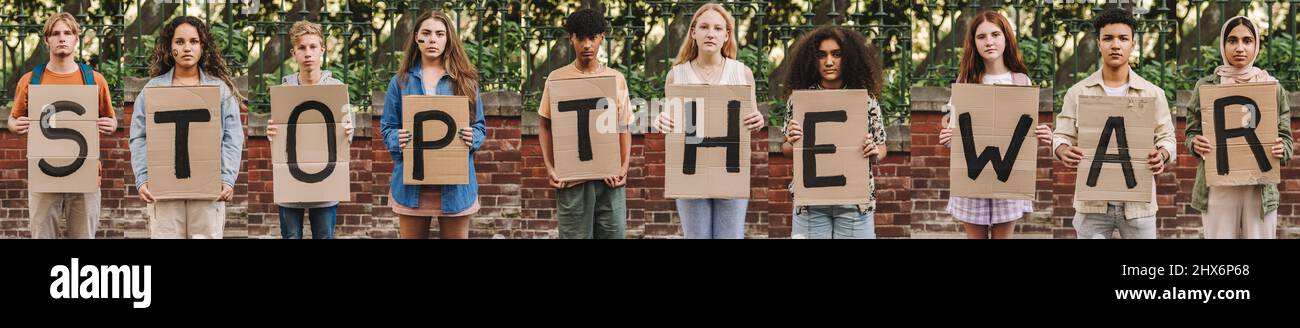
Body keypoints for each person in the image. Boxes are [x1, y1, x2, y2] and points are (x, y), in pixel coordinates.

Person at [1052, 8, 1176, 239]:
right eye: (1108, 38)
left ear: (1133, 44)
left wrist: (1162, 155)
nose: (1115, 45)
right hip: (1092, 205)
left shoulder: (1153, 94)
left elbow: (1168, 139)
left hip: (1139, 205)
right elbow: (1061, 136)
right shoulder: (1077, 93)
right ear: (1098, 43)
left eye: (1123, 38)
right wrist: (1063, 150)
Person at [937, 11, 1053, 239]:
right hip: (973, 176)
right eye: (981, 37)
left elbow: (1024, 131)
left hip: (1007, 177)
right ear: (974, 43)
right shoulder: (966, 81)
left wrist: (1043, 134)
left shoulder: (1021, 81)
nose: (989, 42)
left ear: (1006, 38)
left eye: (995, 34)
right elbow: (953, 123)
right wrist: (949, 136)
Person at [652, 3, 764, 239]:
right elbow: (671, 122)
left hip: (730, 169)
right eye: (704, 27)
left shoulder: (741, 73)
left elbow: (751, 119)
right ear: (693, 32)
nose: (710, 33)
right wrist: (661, 119)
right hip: (691, 171)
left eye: (717, 28)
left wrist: (757, 120)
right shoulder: (677, 75)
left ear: (726, 36)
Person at [130, 16, 245, 239]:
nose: (187, 48)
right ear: (170, 46)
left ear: (203, 47)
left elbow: (232, 137)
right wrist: (142, 178)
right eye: (180, 42)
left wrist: (227, 178)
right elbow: (139, 136)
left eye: (194, 41)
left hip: (207, 192)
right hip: (164, 192)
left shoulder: (219, 90)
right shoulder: (152, 90)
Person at [7, 12, 117, 239]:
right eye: (55, 34)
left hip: (85, 176)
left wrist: (111, 124)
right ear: (47, 40)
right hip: (44, 176)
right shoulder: (30, 80)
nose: (62, 38)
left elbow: (111, 119)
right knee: (42, 235)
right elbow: (12, 119)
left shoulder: (94, 80)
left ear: (77, 38)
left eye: (67, 33)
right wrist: (15, 126)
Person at [1184, 16, 1292, 239]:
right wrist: (1195, 143)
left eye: (1247, 40)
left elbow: (1286, 137)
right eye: (1232, 40)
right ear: (1223, 45)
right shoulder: (1206, 86)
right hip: (1219, 185)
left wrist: (1283, 149)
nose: (1240, 48)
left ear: (1256, 45)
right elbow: (1191, 133)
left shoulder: (1272, 87)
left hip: (1259, 188)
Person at [380, 11, 485, 239]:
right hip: (412, 187)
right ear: (416, 38)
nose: (432, 39)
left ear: (448, 39)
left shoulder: (465, 82)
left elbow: (479, 126)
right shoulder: (400, 81)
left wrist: (472, 137)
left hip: (455, 188)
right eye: (426, 33)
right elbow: (387, 127)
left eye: (439, 34)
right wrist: (395, 138)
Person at [777, 25, 883, 239]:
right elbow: (787, 149)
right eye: (821, 55)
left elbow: (881, 147)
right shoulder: (799, 100)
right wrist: (792, 140)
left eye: (836, 54)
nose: (829, 62)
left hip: (854, 204)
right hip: (811, 204)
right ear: (811, 60)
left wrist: (874, 152)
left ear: (849, 58)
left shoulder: (865, 99)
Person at [537, 8, 633, 239]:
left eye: (592, 37)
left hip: (609, 180)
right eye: (580, 38)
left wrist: (623, 167)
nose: (587, 45)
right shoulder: (556, 78)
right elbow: (544, 125)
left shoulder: (615, 79)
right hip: (573, 181)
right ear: (571, 38)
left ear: (601, 37)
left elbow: (624, 126)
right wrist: (550, 168)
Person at [265, 20, 356, 239]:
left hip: (325, 184)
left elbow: (347, 137)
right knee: (291, 236)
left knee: (324, 236)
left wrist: (348, 130)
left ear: (322, 50)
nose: (308, 53)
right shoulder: (284, 91)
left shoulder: (336, 90)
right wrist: (271, 133)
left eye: (313, 47)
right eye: (302, 48)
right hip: (291, 185)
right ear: (293, 52)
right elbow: (281, 137)